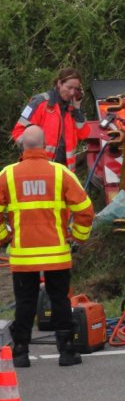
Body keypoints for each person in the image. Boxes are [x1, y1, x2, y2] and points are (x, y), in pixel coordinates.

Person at [1, 126, 95, 368]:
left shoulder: (8, 175)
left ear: (23, 145)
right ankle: (67, 351)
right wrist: (77, 237)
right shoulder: (60, 173)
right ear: (45, 146)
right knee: (60, 300)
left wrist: (4, 237)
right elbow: (85, 210)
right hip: (56, 253)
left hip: (23, 255)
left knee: (25, 303)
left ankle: (20, 353)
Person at [12, 67, 89, 173]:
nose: (72, 92)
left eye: (76, 89)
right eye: (69, 87)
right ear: (59, 83)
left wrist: (77, 109)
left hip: (64, 171)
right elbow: (18, 132)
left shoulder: (72, 108)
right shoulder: (40, 102)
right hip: (39, 168)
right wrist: (33, 153)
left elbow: (83, 134)